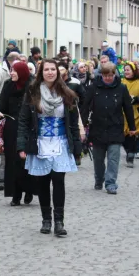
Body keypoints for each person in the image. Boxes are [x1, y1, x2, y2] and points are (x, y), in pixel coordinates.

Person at [17, 60, 80, 237]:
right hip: (40, 142)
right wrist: (21, 145)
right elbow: (23, 120)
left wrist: (77, 147)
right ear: (41, 72)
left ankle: (59, 221)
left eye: (53, 69)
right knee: (43, 182)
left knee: (59, 180)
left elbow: (73, 124)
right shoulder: (32, 92)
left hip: (60, 142)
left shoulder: (67, 94)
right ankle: (46, 219)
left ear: (58, 73)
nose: (50, 72)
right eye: (47, 69)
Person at [81, 63, 136, 194]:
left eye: (110, 75)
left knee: (113, 158)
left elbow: (128, 108)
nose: (108, 78)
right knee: (98, 159)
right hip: (97, 128)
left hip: (115, 128)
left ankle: (111, 183)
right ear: (101, 75)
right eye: (105, 75)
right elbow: (85, 107)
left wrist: (132, 127)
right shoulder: (93, 87)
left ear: (114, 75)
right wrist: (82, 126)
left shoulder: (122, 88)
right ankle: (99, 179)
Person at [0, 62, 33, 206]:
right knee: (12, 161)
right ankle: (15, 194)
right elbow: (2, 104)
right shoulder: (8, 85)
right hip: (11, 128)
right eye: (11, 70)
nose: (11, 73)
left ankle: (29, 190)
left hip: (27, 127)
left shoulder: (31, 86)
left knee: (25, 161)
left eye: (14, 71)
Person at [0, 52, 20, 190]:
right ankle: (2, 177)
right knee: (2, 141)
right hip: (1, 110)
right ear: (12, 61)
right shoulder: (0, 71)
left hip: (12, 111)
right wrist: (0, 101)